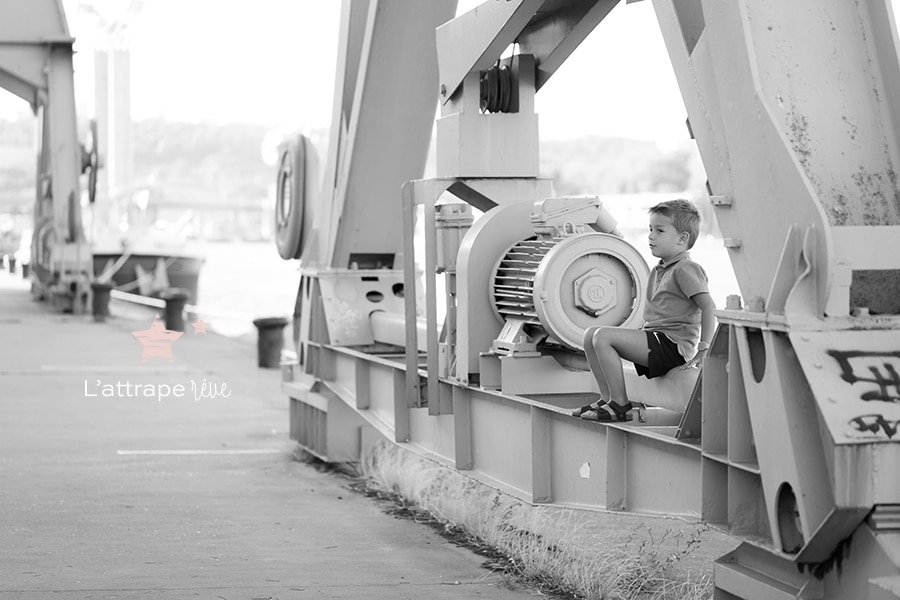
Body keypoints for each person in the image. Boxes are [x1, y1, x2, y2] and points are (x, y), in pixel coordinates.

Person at [572, 199, 716, 422]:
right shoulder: (660, 269)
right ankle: (607, 398)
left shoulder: (686, 269)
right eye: (650, 229)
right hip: (656, 339)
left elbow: (708, 307)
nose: (651, 236)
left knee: (603, 337)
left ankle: (620, 404)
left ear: (682, 238)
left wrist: (703, 349)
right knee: (590, 334)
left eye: (659, 230)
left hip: (672, 345)